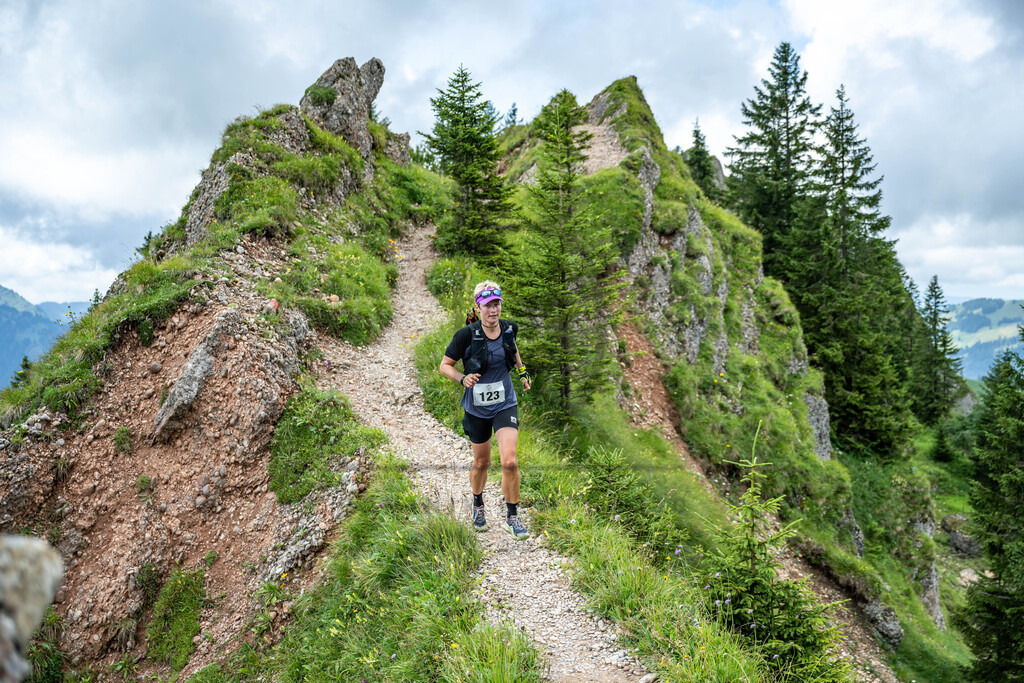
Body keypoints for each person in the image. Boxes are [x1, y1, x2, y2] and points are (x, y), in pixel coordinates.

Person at [440, 281, 532, 539]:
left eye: (497, 304)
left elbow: (513, 350)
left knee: (510, 462)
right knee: (482, 463)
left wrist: (522, 373)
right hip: (477, 407)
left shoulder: (509, 329)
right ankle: (478, 503)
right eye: (488, 305)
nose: (494, 310)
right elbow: (444, 365)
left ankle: (512, 516)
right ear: (478, 307)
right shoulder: (466, 335)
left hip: (505, 403)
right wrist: (462, 379)